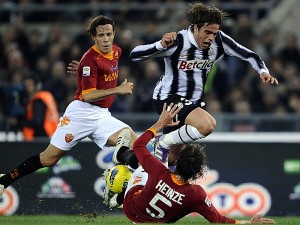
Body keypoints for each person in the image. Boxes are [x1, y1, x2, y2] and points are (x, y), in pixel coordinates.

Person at [0, 15, 137, 196]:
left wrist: (82, 69)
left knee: (137, 145)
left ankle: (118, 190)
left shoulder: (116, 51)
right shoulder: (90, 59)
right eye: (101, 35)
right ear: (93, 37)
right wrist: (118, 89)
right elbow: (88, 96)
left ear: (114, 34)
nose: (106, 39)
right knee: (49, 159)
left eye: (109, 34)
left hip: (102, 115)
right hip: (80, 113)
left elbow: (100, 72)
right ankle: (4, 180)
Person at [128, 2, 279, 165]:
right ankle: (162, 141)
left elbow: (250, 55)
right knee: (207, 125)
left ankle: (133, 163)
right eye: (207, 32)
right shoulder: (178, 42)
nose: (211, 38)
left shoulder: (220, 41)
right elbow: (134, 55)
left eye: (214, 33)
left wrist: (263, 71)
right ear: (195, 28)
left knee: (171, 159)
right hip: (168, 98)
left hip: (190, 103)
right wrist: (160, 45)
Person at [104, 103, 275, 224]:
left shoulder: (159, 172)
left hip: (131, 208)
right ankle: (116, 195)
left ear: (177, 162)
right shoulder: (196, 195)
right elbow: (219, 220)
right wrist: (249, 224)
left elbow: (139, 144)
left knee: (149, 154)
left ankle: (122, 158)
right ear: (199, 172)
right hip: (153, 221)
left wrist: (159, 124)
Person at [22, 73, 60, 141]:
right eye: (26, 85)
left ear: (36, 85)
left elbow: (38, 121)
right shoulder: (46, 96)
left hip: (43, 134)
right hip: (53, 133)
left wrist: (23, 123)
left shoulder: (39, 100)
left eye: (29, 85)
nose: (27, 88)